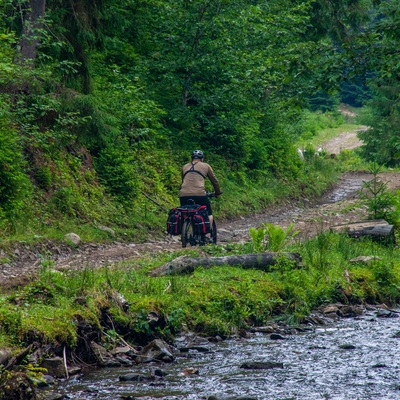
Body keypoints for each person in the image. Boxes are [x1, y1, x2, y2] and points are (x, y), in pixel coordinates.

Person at [179, 150, 222, 229]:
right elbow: (214, 181)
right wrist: (217, 192)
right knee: (208, 213)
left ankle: (184, 231)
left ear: (191, 158)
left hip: (183, 195)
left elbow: (183, 181)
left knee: (185, 212)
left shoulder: (185, 166)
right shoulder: (206, 166)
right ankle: (208, 234)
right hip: (199, 194)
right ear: (202, 159)